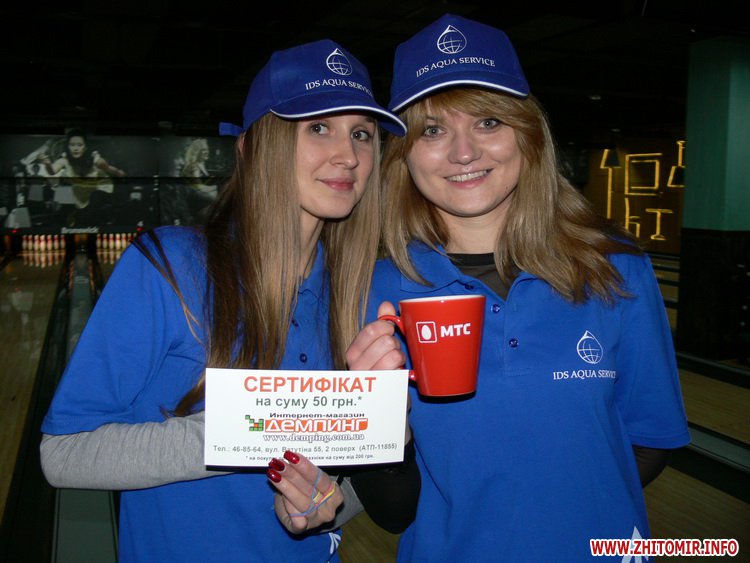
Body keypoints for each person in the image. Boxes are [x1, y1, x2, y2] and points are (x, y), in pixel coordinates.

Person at [40, 38, 407, 562]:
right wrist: (249, 432)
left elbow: (347, 490)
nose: (348, 155)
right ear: (251, 147)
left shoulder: (363, 295)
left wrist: (325, 502)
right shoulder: (170, 267)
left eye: (362, 134)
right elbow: (63, 453)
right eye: (318, 127)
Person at [346, 14, 691, 561]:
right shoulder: (375, 290)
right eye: (432, 130)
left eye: (488, 122)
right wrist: (375, 419)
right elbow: (393, 511)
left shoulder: (617, 269)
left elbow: (650, 442)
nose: (464, 152)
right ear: (403, 154)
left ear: (528, 135)